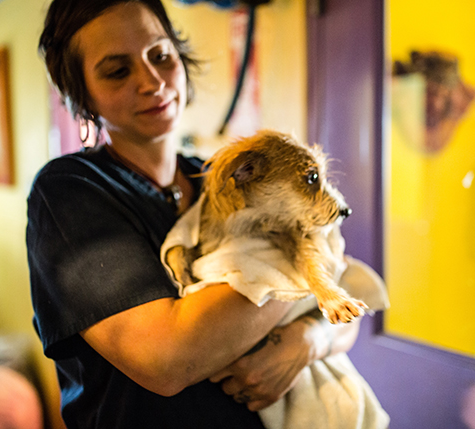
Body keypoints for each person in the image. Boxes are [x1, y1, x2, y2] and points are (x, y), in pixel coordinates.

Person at [26, 0, 362, 427]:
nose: (151, 81)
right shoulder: (69, 193)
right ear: (81, 93)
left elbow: (348, 295)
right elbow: (168, 362)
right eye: (117, 70)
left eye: (161, 55)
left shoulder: (225, 180)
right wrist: (310, 269)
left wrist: (307, 339)